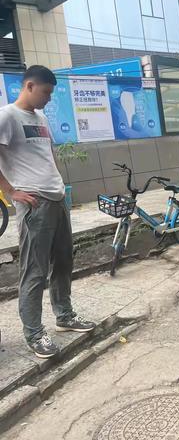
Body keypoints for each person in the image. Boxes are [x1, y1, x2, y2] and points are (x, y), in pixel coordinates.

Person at [0, 65, 96, 359]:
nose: (49, 99)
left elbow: (47, 153)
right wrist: (10, 192)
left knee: (64, 262)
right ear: (29, 86)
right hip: (34, 203)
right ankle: (34, 333)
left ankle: (64, 315)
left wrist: (59, 182)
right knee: (35, 270)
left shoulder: (40, 118)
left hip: (56, 199)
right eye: (46, 92)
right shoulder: (7, 116)